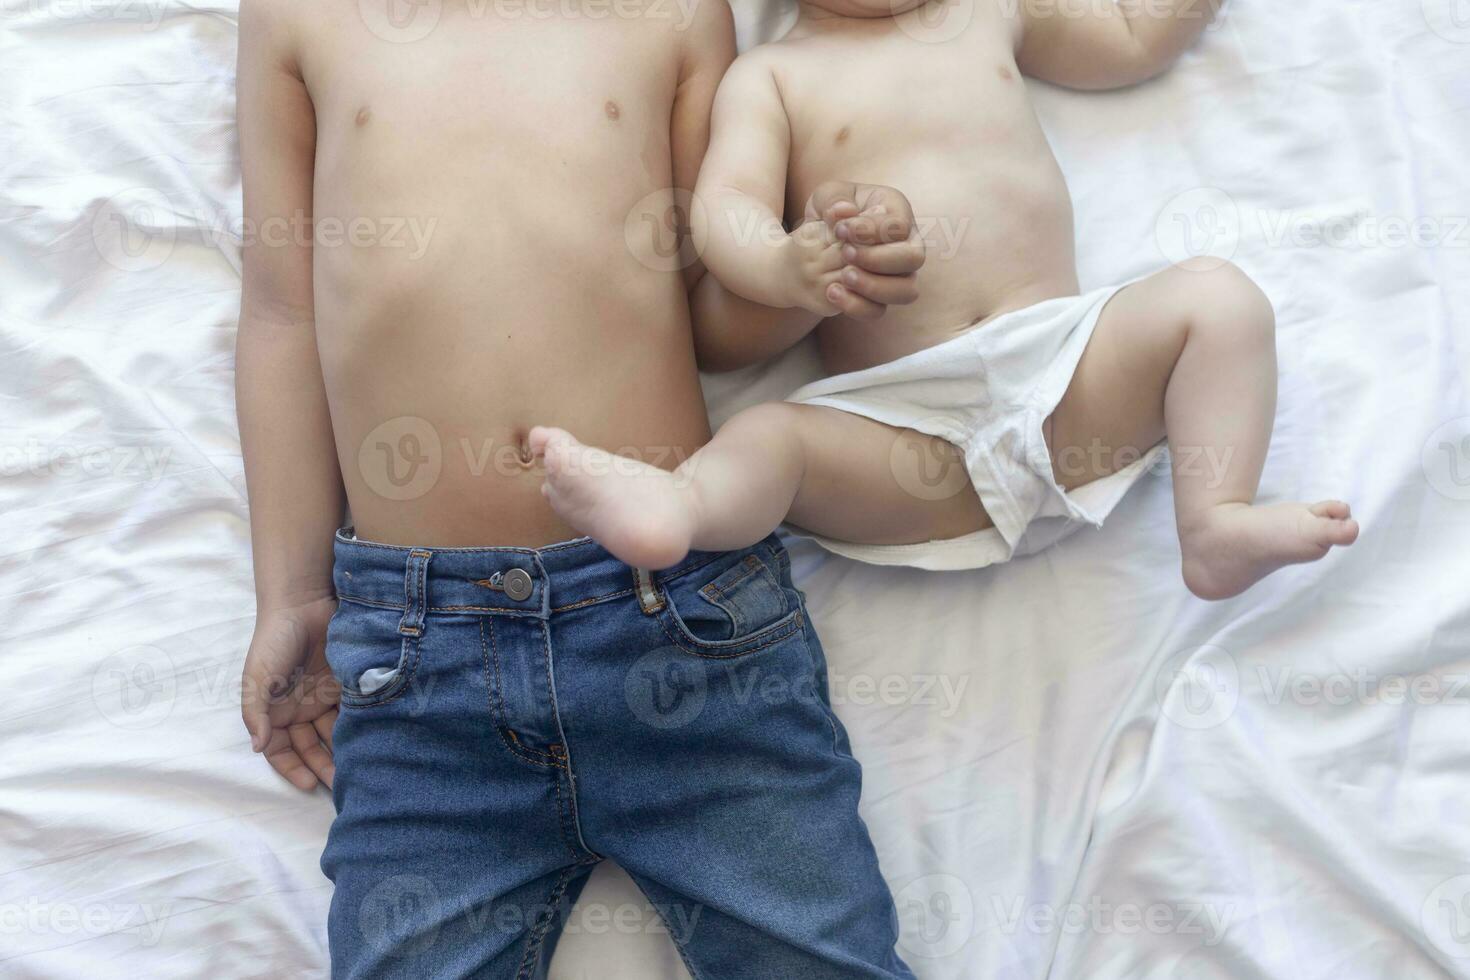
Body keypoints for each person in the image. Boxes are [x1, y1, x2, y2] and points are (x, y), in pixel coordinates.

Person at [234, 0, 923, 974]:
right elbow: (280, 310)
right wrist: (292, 591)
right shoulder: (298, 17)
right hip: (421, 668)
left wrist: (801, 275)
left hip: (681, 620)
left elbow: (709, 316)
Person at [531, 0, 1360, 600]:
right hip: (906, 439)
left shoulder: (988, 12)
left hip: (1068, 388)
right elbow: (725, 212)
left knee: (1221, 299)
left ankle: (1214, 522)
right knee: (771, 439)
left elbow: (1131, 36)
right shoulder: (772, 75)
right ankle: (680, 507)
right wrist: (788, 266)